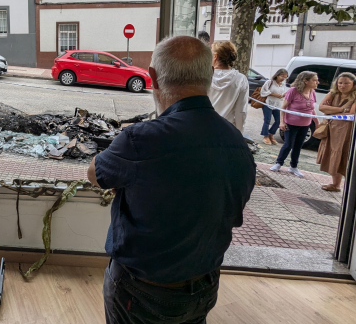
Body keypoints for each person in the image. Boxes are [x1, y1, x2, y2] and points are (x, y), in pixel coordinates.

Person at [88, 36, 256, 324]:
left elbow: (94, 174)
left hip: (141, 291)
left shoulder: (139, 140)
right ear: (211, 75)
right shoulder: (239, 146)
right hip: (204, 286)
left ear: (152, 77)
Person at [270, 71, 319, 177]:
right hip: (291, 123)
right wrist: (282, 122)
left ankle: (293, 167)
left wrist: (317, 123)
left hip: (305, 124)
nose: (317, 82)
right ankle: (278, 163)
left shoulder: (312, 92)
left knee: (298, 146)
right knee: (288, 144)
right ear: (305, 81)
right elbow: (283, 107)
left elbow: (312, 109)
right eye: (314, 80)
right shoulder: (293, 91)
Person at [316, 72, 356, 192]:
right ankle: (336, 184)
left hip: (346, 132)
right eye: (340, 83)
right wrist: (341, 109)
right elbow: (321, 107)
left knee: (344, 155)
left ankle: (347, 187)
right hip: (331, 129)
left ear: (353, 84)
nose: (343, 85)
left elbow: (351, 114)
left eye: (347, 83)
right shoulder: (333, 93)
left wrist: (330, 111)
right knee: (334, 156)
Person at [207, 41, 249, 133]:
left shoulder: (204, 76)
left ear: (215, 56)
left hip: (205, 127)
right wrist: (239, 133)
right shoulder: (240, 79)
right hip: (227, 130)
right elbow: (241, 111)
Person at [259, 69, 289, 145]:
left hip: (278, 104)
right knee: (267, 120)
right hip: (268, 103)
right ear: (277, 75)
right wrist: (274, 94)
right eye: (282, 76)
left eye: (285, 77)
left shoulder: (283, 85)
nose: (283, 79)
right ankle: (265, 136)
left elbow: (282, 94)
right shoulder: (270, 82)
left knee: (278, 120)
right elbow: (263, 92)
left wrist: (283, 95)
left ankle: (271, 134)